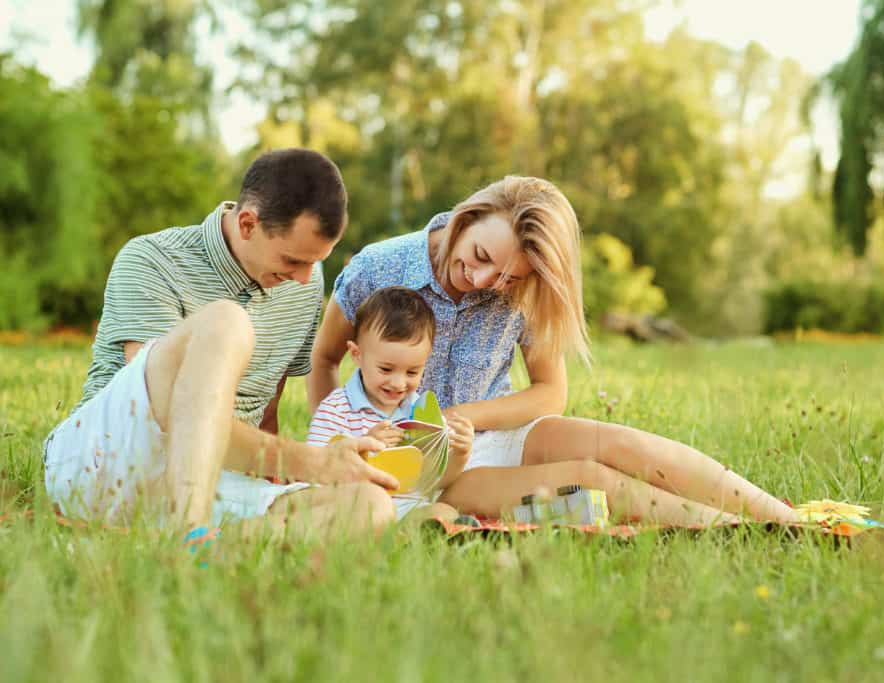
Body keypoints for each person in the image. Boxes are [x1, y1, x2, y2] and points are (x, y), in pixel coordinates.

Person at [309, 176, 800, 526]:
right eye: (481, 257)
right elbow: (325, 360)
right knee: (590, 478)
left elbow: (549, 392)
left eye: (508, 277)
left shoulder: (524, 290)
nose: (483, 281)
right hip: (434, 466)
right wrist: (346, 455)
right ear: (469, 217)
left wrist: (462, 416)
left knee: (626, 445)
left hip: (495, 430)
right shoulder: (379, 265)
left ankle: (784, 518)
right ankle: (737, 530)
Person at [42, 148, 399, 542]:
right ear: (247, 223)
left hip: (214, 477)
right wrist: (311, 462)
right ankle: (188, 530)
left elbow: (267, 406)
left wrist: (279, 480)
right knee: (226, 321)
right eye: (293, 260)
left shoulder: (304, 285)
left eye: (315, 263)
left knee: (370, 505)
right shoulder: (152, 258)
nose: (304, 278)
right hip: (102, 463)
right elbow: (165, 410)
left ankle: (205, 549)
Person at [306, 286, 474, 520]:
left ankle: (415, 534)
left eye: (412, 372)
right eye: (386, 369)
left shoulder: (422, 415)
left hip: (408, 506)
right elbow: (313, 471)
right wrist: (365, 447)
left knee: (444, 512)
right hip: (358, 504)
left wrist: (460, 455)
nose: (398, 383)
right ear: (357, 355)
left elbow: (434, 482)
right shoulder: (336, 408)